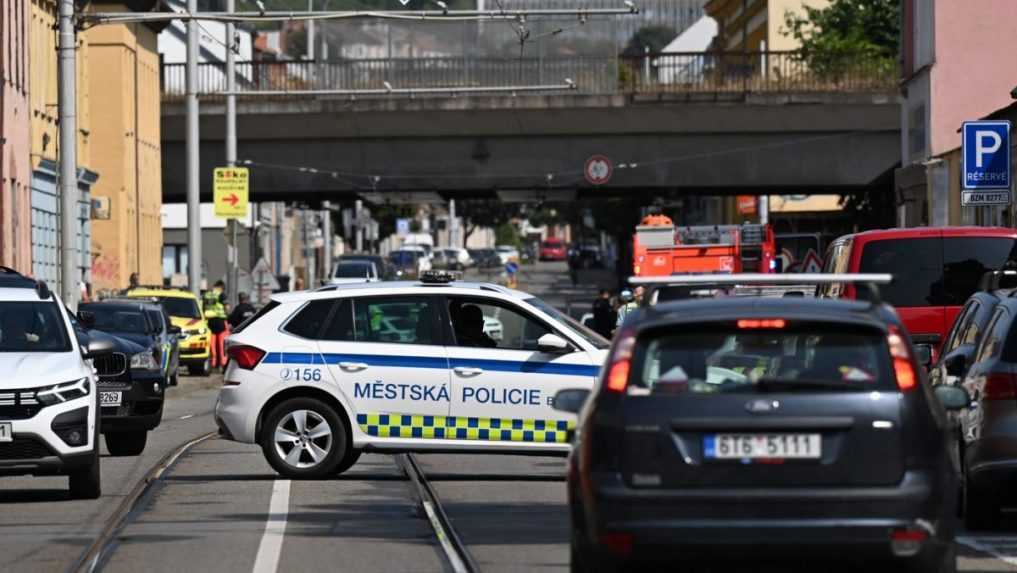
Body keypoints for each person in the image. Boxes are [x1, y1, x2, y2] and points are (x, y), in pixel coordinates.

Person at [203, 280, 229, 371]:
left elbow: (203, 307)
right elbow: (227, 307)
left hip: (209, 321)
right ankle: (222, 364)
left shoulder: (207, 294)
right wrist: (227, 315)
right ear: (221, 287)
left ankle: (213, 364)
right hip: (220, 321)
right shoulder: (221, 295)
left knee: (212, 345)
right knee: (222, 345)